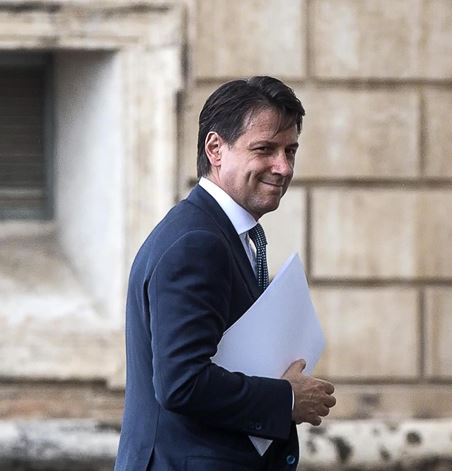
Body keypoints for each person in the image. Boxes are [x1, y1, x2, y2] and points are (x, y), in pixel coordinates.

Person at [114, 76, 336, 470]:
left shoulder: (218, 232)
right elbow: (182, 382)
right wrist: (286, 399)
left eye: (290, 151)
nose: (282, 167)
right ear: (215, 148)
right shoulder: (198, 242)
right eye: (265, 149)